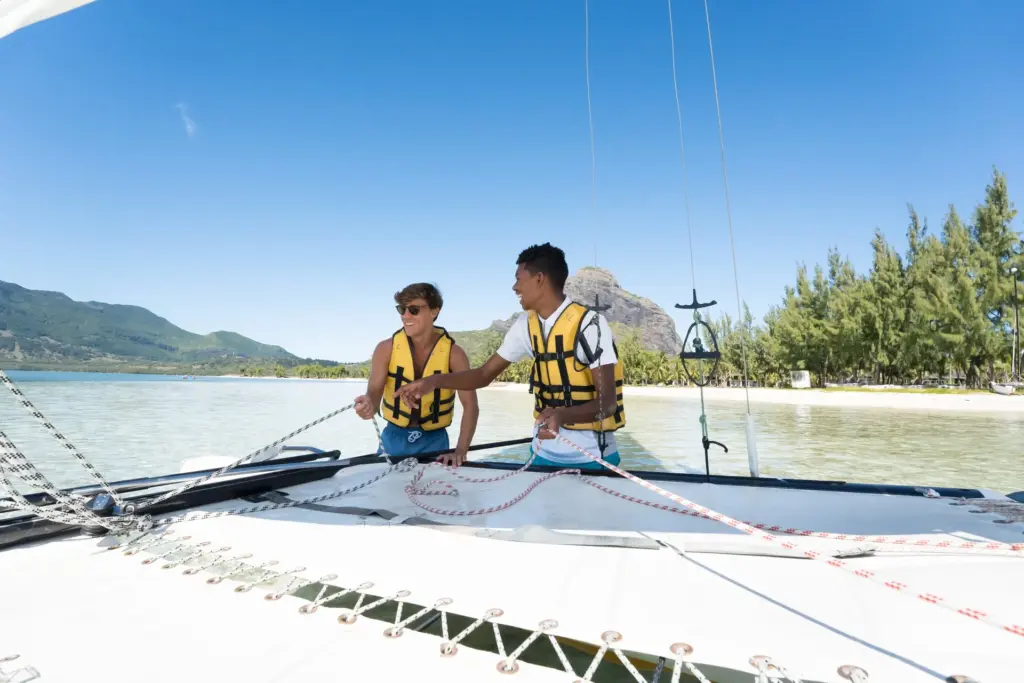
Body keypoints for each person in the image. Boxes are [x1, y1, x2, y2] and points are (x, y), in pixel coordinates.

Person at [394, 243, 625, 470]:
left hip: (594, 458)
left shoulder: (591, 325)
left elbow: (608, 403)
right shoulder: (525, 325)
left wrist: (562, 415)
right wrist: (433, 382)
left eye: (518, 278)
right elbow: (484, 375)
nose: (515, 287)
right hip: (541, 455)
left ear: (539, 279)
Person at [354, 283, 479, 467]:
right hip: (393, 440)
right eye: (402, 309)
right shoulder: (385, 349)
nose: (405, 316)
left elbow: (471, 406)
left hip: (435, 443)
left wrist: (461, 450)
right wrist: (367, 406)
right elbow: (374, 392)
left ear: (434, 311)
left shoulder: (455, 355)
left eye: (414, 310)